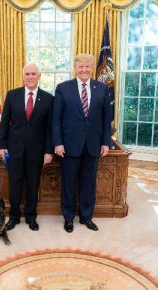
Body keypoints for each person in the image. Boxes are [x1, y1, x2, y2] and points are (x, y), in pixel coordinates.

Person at [52, 54, 111, 233]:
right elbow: (56, 119)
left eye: (87, 67)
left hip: (93, 145)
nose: (84, 70)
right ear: (75, 68)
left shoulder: (102, 88)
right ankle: (68, 218)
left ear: (92, 68)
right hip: (69, 145)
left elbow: (106, 119)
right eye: (80, 67)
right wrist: (58, 143)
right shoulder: (63, 88)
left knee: (89, 183)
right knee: (69, 183)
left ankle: (87, 217)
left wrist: (105, 142)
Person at [0, 63, 54, 231]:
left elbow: (50, 128)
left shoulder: (48, 98)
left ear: (39, 76)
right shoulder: (12, 95)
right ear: (23, 76)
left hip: (37, 151)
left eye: (33, 74)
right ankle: (14, 216)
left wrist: (48, 151)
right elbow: (4, 123)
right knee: (15, 184)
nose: (30, 77)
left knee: (32, 185)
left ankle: (31, 217)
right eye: (27, 74)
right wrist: (2, 146)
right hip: (14, 149)